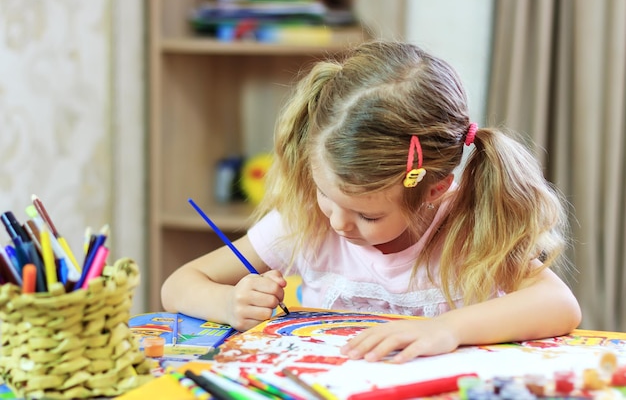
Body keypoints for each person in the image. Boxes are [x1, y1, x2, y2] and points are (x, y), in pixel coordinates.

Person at [161, 41, 581, 363]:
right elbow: (178, 285)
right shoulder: (305, 219)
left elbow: (560, 306)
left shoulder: (469, 226)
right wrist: (228, 304)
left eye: (367, 214)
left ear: (433, 190)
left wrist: (447, 329)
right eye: (327, 195)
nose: (339, 223)